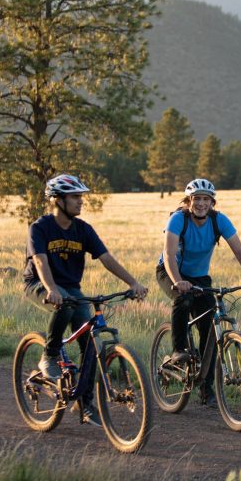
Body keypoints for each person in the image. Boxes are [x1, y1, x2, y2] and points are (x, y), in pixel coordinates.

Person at [24, 173, 148, 426]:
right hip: (39, 284)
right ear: (57, 200)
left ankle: (85, 403)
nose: (81, 201)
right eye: (75, 197)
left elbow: (106, 258)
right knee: (66, 307)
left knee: (90, 342)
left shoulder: (83, 229)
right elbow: (40, 261)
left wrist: (133, 283)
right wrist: (51, 289)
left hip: (70, 287)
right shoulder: (40, 228)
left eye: (81, 196)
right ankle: (49, 355)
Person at [156, 178, 241, 406]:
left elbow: (239, 250)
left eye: (206, 199)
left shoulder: (219, 221)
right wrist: (178, 281)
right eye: (196, 198)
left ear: (212, 203)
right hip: (171, 272)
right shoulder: (178, 219)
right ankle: (179, 350)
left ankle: (206, 388)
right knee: (184, 300)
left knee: (209, 326)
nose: (201, 203)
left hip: (199, 277)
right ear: (189, 201)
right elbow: (168, 255)